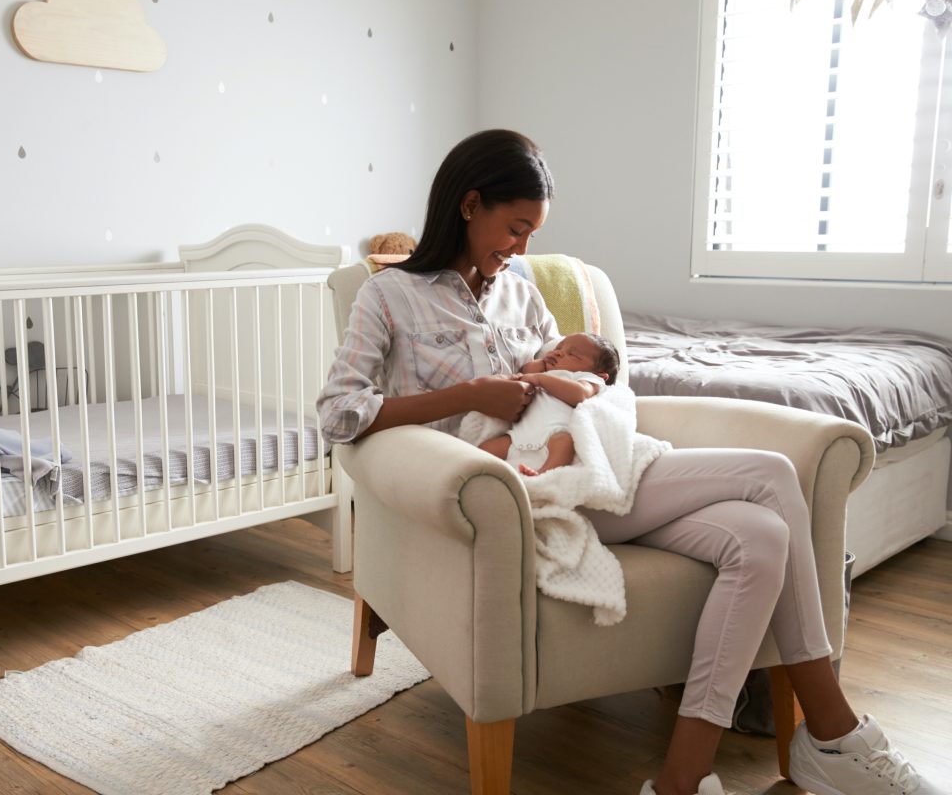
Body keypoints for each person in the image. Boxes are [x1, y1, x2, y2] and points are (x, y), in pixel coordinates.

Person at [315, 128, 938, 795]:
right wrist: (469, 394)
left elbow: (591, 387)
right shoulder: (390, 296)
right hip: (516, 497)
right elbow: (339, 412)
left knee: (762, 536)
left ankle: (681, 779)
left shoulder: (522, 294)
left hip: (592, 471)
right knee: (773, 475)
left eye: (532, 235)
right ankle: (834, 731)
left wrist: (575, 390)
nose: (521, 250)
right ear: (469, 205)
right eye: (515, 229)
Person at [476, 332, 619, 476]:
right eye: (558, 348)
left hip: (555, 433)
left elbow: (581, 394)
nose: (558, 353)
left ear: (600, 375)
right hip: (518, 437)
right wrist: (541, 363)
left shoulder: (586, 379)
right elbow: (525, 372)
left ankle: (543, 474)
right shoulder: (544, 372)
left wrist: (541, 379)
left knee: (565, 443)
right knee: (483, 449)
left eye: (572, 354)